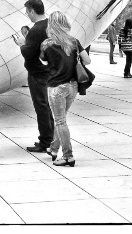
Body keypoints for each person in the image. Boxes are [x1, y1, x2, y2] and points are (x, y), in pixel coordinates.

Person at [39, 11, 89, 167]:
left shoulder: (46, 44)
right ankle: (54, 149)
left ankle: (68, 156)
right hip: (72, 86)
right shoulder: (74, 41)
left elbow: (44, 62)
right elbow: (87, 60)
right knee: (61, 119)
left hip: (56, 87)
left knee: (60, 121)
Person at [11, 0, 53, 153]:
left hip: (37, 73)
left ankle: (45, 141)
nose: (27, 15)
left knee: (41, 106)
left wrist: (22, 43)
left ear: (32, 11)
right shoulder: (50, 24)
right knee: (47, 106)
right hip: (49, 71)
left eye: (27, 12)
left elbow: (29, 53)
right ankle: (51, 137)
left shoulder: (36, 30)